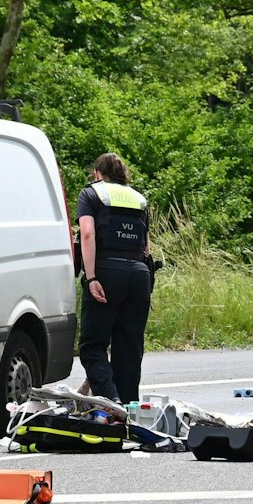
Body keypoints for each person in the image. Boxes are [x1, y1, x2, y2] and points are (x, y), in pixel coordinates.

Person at [76, 152, 155, 408]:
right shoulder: (139, 199)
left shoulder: (91, 194)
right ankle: (130, 408)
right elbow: (147, 248)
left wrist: (91, 277)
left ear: (97, 174)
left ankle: (111, 403)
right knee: (129, 347)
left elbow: (87, 234)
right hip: (139, 275)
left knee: (92, 345)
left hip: (107, 273)